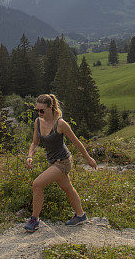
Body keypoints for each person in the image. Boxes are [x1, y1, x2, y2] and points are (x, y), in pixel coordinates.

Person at [23, 93, 97, 232]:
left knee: (37, 184)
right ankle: (81, 215)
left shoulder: (60, 124)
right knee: (67, 188)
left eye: (42, 110)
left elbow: (76, 142)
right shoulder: (38, 122)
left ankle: (34, 219)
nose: (39, 113)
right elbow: (34, 142)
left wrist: (88, 159)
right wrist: (29, 156)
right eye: (36, 110)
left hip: (63, 162)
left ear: (50, 107)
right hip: (53, 162)